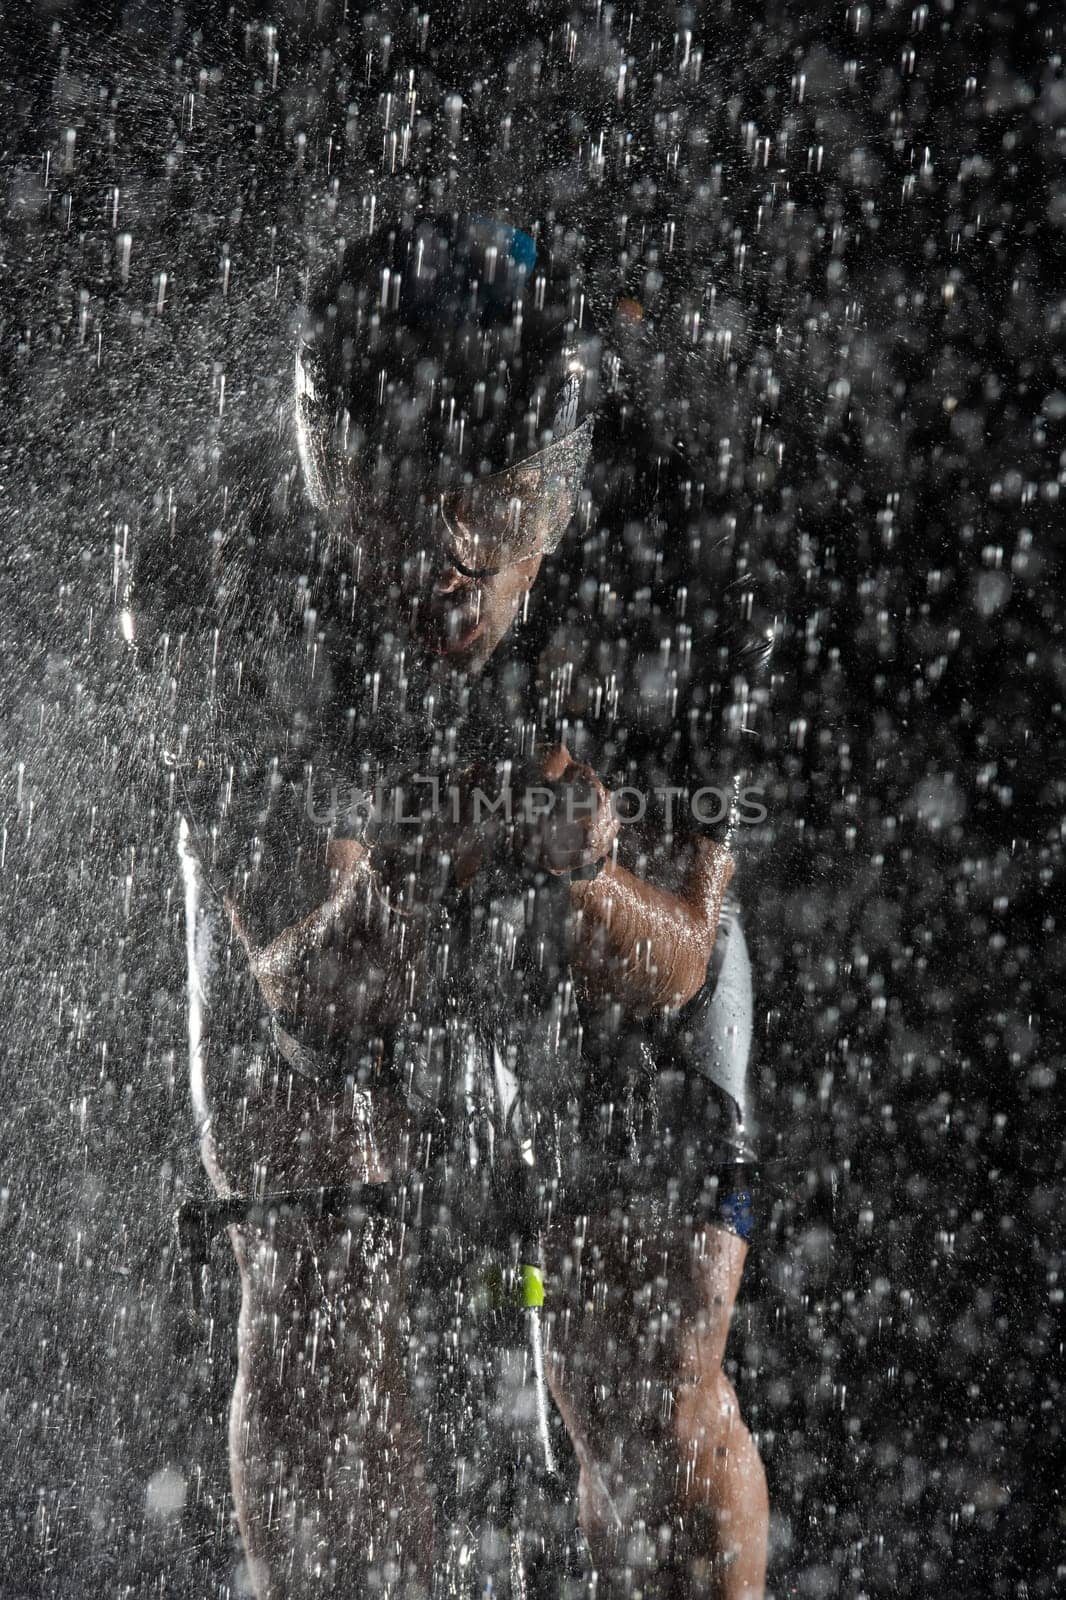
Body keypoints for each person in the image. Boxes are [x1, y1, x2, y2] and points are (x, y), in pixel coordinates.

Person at [140, 214, 769, 1597]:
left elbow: (671, 968)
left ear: (559, 491)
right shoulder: (220, 573)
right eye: (379, 501)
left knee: (654, 1352)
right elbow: (313, 999)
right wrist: (474, 845)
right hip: (339, 919)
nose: (441, 562)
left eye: (489, 508)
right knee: (307, 1299)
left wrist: (576, 873)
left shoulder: (680, 547)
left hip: (554, 878)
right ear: (320, 479)